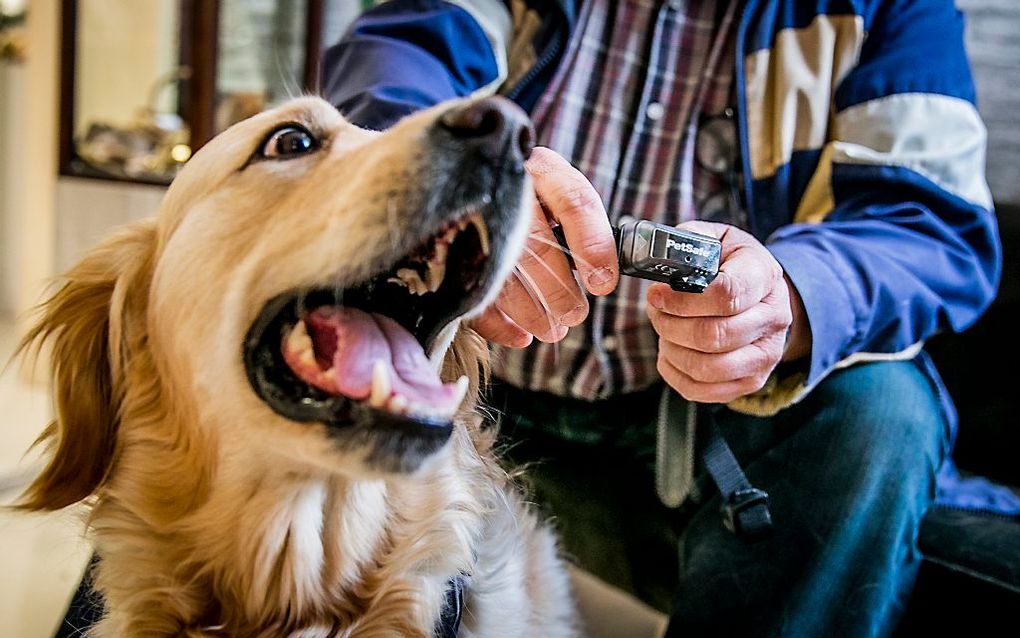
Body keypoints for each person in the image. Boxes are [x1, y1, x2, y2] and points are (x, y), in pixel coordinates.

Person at [322, 0, 1017, 635]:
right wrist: (456, 198)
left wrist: (790, 297)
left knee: (880, 413)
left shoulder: (897, 10)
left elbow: (929, 226)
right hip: (467, 383)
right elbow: (391, 70)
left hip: (695, 434)